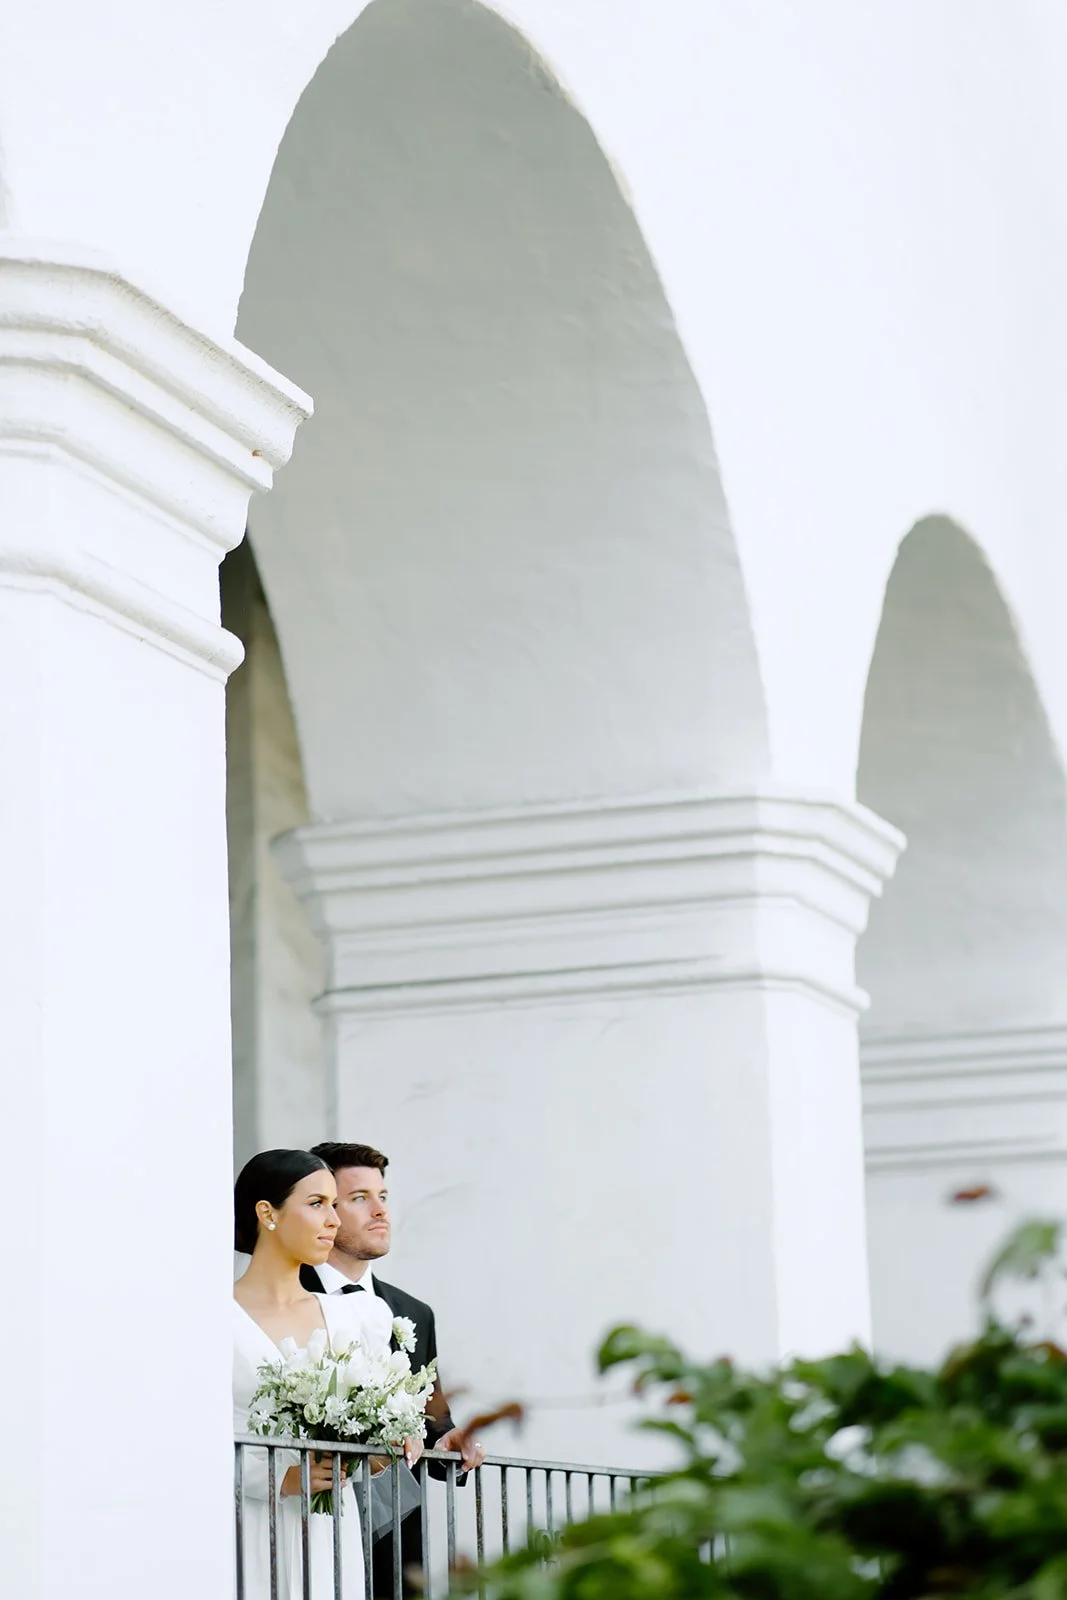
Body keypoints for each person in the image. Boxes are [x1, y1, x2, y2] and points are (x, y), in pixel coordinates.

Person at [233, 1148, 422, 1599]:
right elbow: (185, 1442)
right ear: (267, 1213)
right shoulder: (213, 1319)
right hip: (248, 1528)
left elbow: (366, 1459)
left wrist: (387, 1446)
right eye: (318, 1204)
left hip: (331, 1535)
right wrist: (281, 1478)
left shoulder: (356, 1316)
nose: (334, 1220)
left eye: (335, 1205)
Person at [300, 1141, 484, 1595]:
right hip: (306, 1521)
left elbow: (431, 1416)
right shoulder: (286, 1297)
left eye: (383, 1197)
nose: (379, 1211)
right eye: (359, 1198)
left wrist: (451, 1441)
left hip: (394, 1536)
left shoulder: (413, 1312)